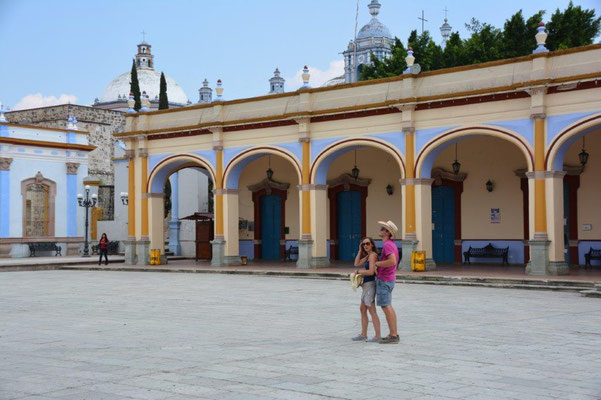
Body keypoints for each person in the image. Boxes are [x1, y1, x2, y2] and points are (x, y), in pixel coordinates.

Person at [351, 237, 381, 342]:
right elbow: (356, 263)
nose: (365, 246)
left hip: (370, 285)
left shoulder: (373, 256)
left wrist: (359, 272)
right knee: (362, 309)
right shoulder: (368, 255)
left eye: (367, 243)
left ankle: (378, 336)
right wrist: (360, 250)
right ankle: (363, 334)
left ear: (372, 244)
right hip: (366, 286)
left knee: (372, 310)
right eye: (363, 244)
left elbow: (371, 272)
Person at [375, 220, 399, 344]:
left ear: (388, 232)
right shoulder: (391, 244)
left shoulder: (387, 245)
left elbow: (392, 261)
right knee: (388, 306)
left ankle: (393, 335)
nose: (380, 229)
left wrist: (377, 263)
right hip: (389, 278)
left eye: (383, 228)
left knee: (386, 306)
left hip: (385, 279)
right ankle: (393, 333)